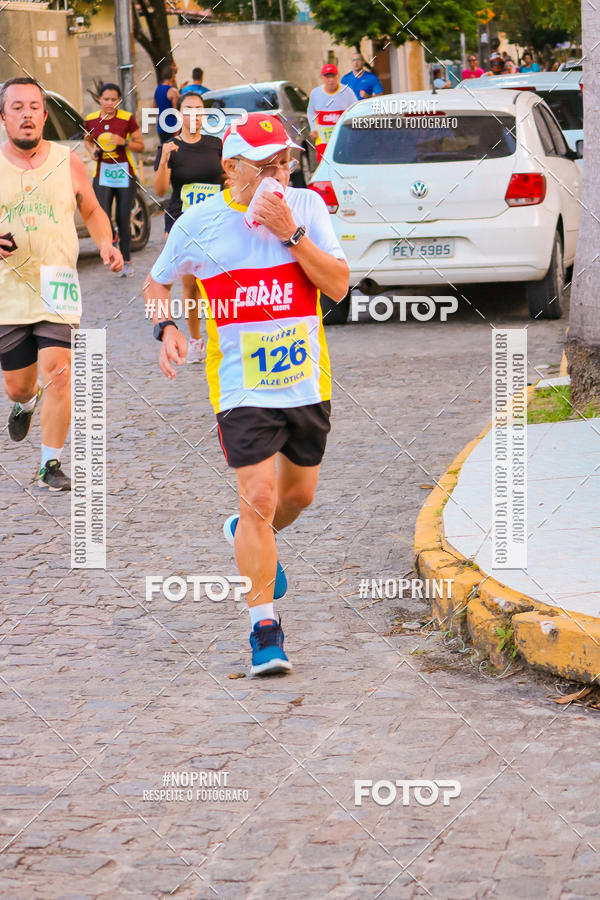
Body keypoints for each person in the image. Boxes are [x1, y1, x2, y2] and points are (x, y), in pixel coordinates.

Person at [144, 112, 349, 676]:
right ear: (231, 168)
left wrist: (291, 233)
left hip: (305, 380)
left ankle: (248, 536)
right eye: (265, 167)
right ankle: (265, 629)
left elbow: (337, 285)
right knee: (258, 495)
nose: (279, 175)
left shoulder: (307, 207)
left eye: (285, 163)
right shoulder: (200, 222)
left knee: (297, 497)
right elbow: (156, 281)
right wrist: (165, 326)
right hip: (240, 385)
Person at [0, 77, 122, 491]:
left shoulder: (67, 161)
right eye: (17, 107)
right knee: (17, 385)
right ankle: (26, 402)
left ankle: (49, 464)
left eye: (34, 107)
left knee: (61, 372)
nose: (27, 114)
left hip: (57, 283)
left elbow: (92, 209)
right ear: (3, 117)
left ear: (44, 115)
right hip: (8, 289)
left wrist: (106, 243)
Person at [153, 90, 222, 364]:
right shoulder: (170, 147)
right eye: (188, 109)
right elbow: (160, 190)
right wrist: (163, 160)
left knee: (218, 281)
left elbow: (227, 177)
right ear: (179, 114)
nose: (194, 114)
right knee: (191, 286)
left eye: (198, 109)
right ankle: (195, 340)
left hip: (214, 221)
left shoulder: (216, 144)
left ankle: (223, 335)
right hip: (182, 222)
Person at [84, 82, 144, 278]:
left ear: (119, 100)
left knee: (123, 217)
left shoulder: (127, 119)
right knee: (101, 213)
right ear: (99, 100)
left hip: (124, 173)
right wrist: (93, 151)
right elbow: (88, 140)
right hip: (103, 173)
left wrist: (124, 142)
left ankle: (126, 261)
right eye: (106, 99)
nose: (109, 103)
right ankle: (113, 236)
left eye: (113, 99)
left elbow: (140, 145)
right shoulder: (91, 120)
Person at [308, 64, 356, 162]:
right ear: (322, 78)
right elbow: (310, 112)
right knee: (324, 164)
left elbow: (356, 109)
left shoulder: (347, 91)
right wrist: (313, 129)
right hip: (323, 139)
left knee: (343, 162)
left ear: (338, 76)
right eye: (327, 77)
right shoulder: (315, 93)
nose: (331, 80)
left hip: (343, 138)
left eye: (333, 76)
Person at [153, 63, 179, 144]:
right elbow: (176, 111)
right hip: (172, 126)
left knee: (164, 149)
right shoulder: (173, 91)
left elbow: (154, 107)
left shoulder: (157, 89)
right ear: (172, 76)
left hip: (161, 127)